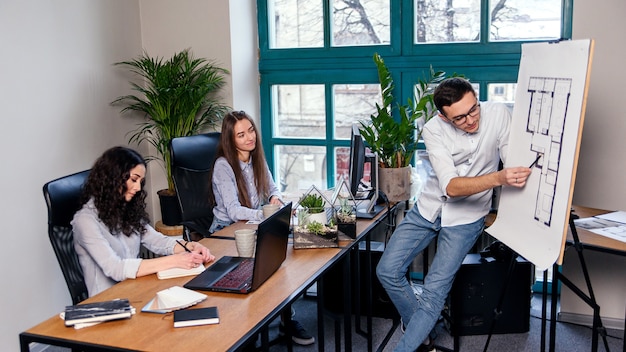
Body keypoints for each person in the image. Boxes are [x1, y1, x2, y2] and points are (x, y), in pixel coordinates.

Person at [376, 77, 532, 352]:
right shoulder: (433, 129)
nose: (471, 120)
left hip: (467, 218)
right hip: (430, 207)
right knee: (387, 270)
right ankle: (421, 330)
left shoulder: (498, 115)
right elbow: (451, 186)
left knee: (434, 292)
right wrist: (499, 177)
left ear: (475, 96)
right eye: (460, 118)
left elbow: (512, 162)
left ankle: (409, 343)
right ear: (443, 117)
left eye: (474, 109)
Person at [209, 110, 315, 346]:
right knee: (260, 271)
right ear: (230, 140)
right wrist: (266, 214)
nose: (249, 137)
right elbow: (234, 211)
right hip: (227, 230)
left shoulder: (255, 157)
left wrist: (276, 199)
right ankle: (246, 331)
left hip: (254, 225)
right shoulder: (223, 166)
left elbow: (272, 188)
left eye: (251, 130)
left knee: (281, 264)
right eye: (241, 135)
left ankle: (287, 319)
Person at [72, 146, 215, 297]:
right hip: (107, 304)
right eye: (134, 179)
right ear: (113, 177)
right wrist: (175, 261)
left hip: (135, 291)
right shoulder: (85, 221)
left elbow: (157, 241)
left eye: (141, 181)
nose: (138, 187)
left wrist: (188, 246)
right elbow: (115, 268)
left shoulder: (126, 209)